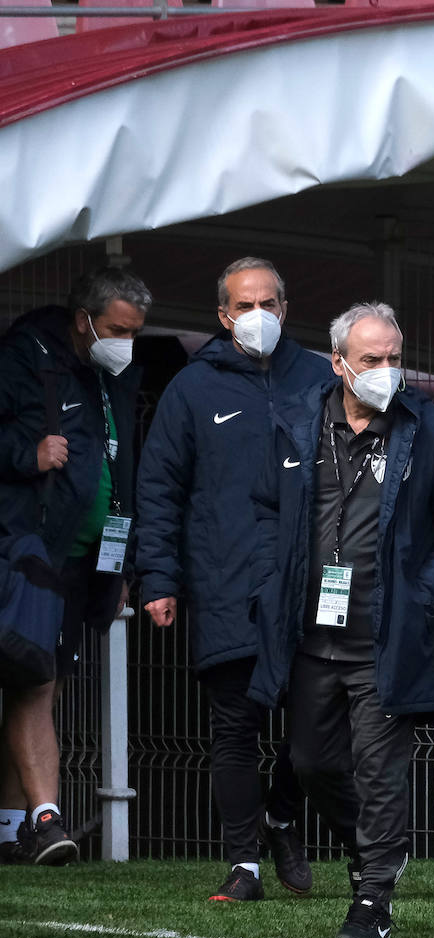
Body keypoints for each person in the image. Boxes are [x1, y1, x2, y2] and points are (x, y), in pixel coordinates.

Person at [247, 302, 434, 938]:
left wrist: (422, 595)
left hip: (386, 634)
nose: (386, 371)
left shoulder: (432, 432)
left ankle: (373, 897)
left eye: (394, 358)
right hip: (308, 634)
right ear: (338, 364)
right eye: (371, 360)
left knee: (381, 771)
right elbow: (265, 512)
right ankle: (374, 851)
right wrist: (272, 584)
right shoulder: (298, 423)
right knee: (310, 762)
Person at [135, 257, 332, 902]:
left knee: (321, 720)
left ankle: (281, 813)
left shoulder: (321, 377)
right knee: (235, 726)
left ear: (285, 308)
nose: (257, 315)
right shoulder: (192, 389)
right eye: (243, 305)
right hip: (224, 578)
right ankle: (243, 866)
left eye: (268, 303)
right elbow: (159, 488)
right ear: (223, 315)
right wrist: (158, 576)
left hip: (308, 578)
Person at [0, 267, 150, 865]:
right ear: (82, 318)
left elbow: (122, 471)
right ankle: (44, 818)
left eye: (136, 332)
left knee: (39, 683)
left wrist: (122, 567)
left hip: (88, 558)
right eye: (117, 329)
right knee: (32, 680)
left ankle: (14, 826)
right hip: (28, 551)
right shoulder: (23, 357)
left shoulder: (115, 372)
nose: (127, 342)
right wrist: (25, 454)